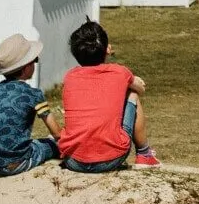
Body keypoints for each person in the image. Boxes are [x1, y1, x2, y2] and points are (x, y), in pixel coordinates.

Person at [58, 20, 159, 172]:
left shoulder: (69, 77)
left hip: (73, 160)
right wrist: (131, 81)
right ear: (107, 49)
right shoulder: (120, 72)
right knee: (132, 94)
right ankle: (144, 154)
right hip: (111, 159)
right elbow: (140, 89)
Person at [0, 34, 61, 177]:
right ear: (26, 67)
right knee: (51, 144)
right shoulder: (32, 94)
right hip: (13, 164)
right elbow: (57, 133)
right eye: (34, 60)